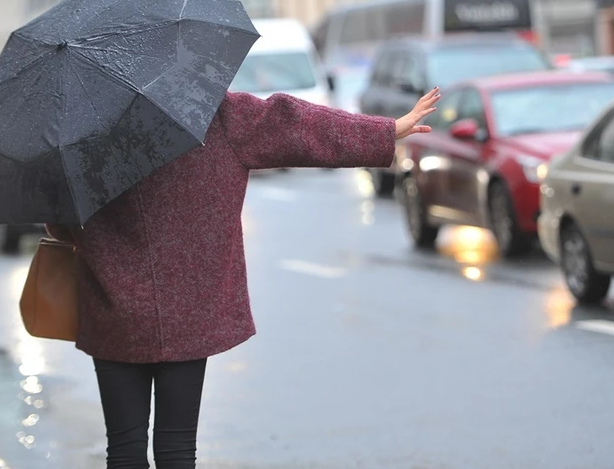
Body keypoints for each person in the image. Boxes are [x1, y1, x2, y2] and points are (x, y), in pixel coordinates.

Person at [46, 87, 441, 469]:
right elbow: (297, 125)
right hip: (189, 309)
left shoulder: (83, 132)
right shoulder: (215, 115)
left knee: (125, 448)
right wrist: (385, 130)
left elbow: (62, 227)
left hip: (114, 310)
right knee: (177, 448)